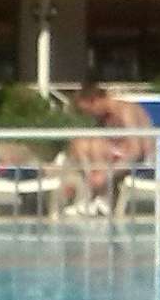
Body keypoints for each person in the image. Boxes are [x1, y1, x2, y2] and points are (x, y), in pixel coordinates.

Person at [66, 83, 154, 214]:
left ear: (96, 101)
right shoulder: (104, 117)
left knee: (96, 144)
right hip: (115, 159)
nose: (90, 115)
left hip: (141, 160)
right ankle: (96, 194)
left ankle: (102, 196)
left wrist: (106, 175)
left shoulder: (126, 111)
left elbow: (136, 151)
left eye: (89, 111)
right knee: (80, 143)